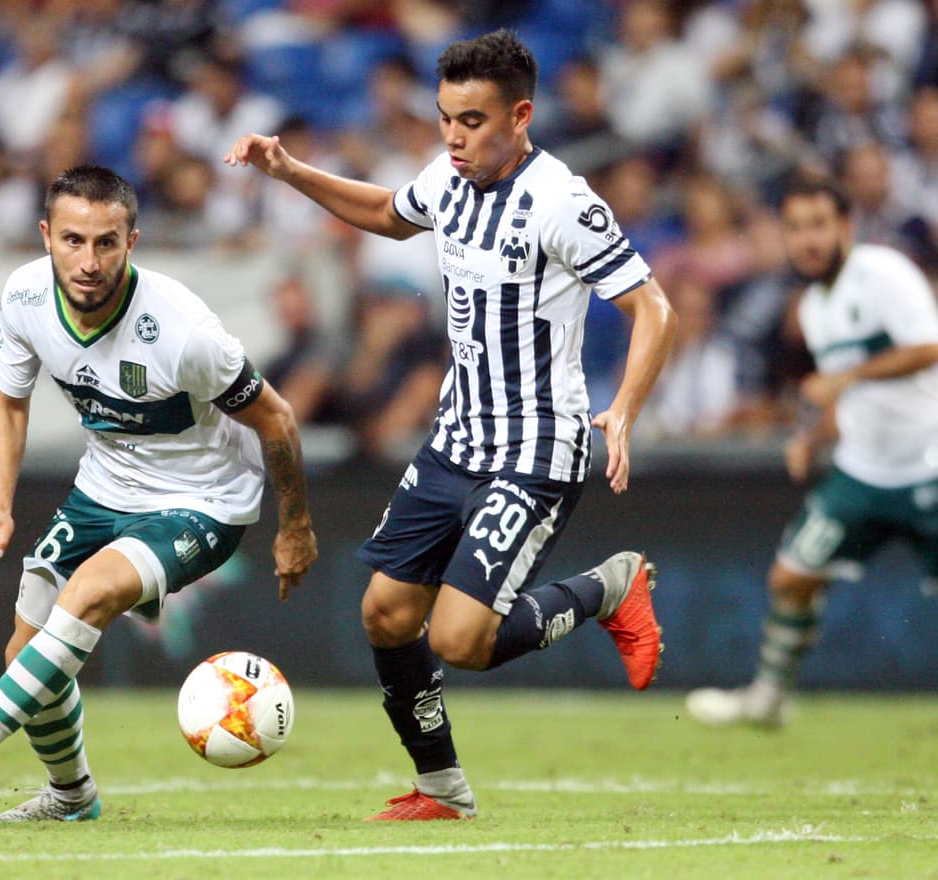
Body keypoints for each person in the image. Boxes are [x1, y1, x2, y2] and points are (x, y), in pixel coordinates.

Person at [224, 29, 677, 821]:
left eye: (472, 120)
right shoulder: (450, 179)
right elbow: (389, 212)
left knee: (462, 640)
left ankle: (609, 588)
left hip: (536, 445)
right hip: (456, 439)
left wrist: (626, 408)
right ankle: (442, 788)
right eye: (445, 118)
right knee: (386, 613)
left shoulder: (564, 201)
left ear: (522, 114)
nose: (455, 136)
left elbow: (653, 307)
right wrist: (289, 170)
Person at [0, 165, 317, 822]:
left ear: (131, 242)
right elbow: (8, 402)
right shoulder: (25, 299)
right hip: (104, 486)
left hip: (202, 500)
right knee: (25, 653)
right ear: (46, 236)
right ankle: (71, 795)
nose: (88, 261)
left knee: (86, 594)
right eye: (73, 240)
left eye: (105, 243)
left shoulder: (183, 332)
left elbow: (277, 419)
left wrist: (294, 526)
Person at [685, 178, 938, 728]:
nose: (808, 240)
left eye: (819, 225)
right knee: (792, 577)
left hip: (928, 464)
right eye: (796, 228)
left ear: (845, 226)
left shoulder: (884, 274)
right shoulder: (817, 303)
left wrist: (845, 379)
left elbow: (927, 348)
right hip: (864, 473)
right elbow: (847, 396)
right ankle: (768, 700)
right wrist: (813, 436)